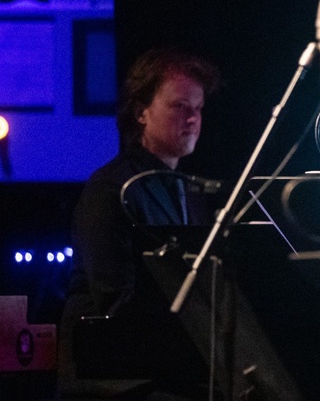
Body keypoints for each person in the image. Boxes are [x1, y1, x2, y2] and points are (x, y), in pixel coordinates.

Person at [58, 49, 220, 398]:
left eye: (198, 109)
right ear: (141, 112)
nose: (193, 119)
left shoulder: (190, 192)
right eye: (180, 107)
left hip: (161, 365)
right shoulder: (110, 188)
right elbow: (115, 300)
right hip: (112, 376)